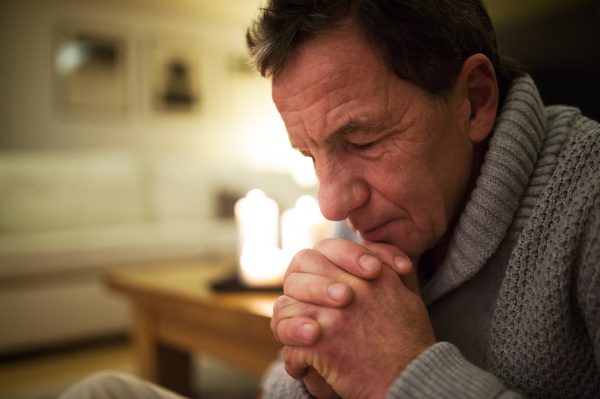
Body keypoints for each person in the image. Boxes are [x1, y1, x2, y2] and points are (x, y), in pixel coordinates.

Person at [58, 0, 600, 398]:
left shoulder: (588, 197)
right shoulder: (371, 211)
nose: (332, 204)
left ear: (475, 100)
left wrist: (402, 376)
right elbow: (280, 389)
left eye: (362, 140)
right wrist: (318, 383)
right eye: (310, 156)